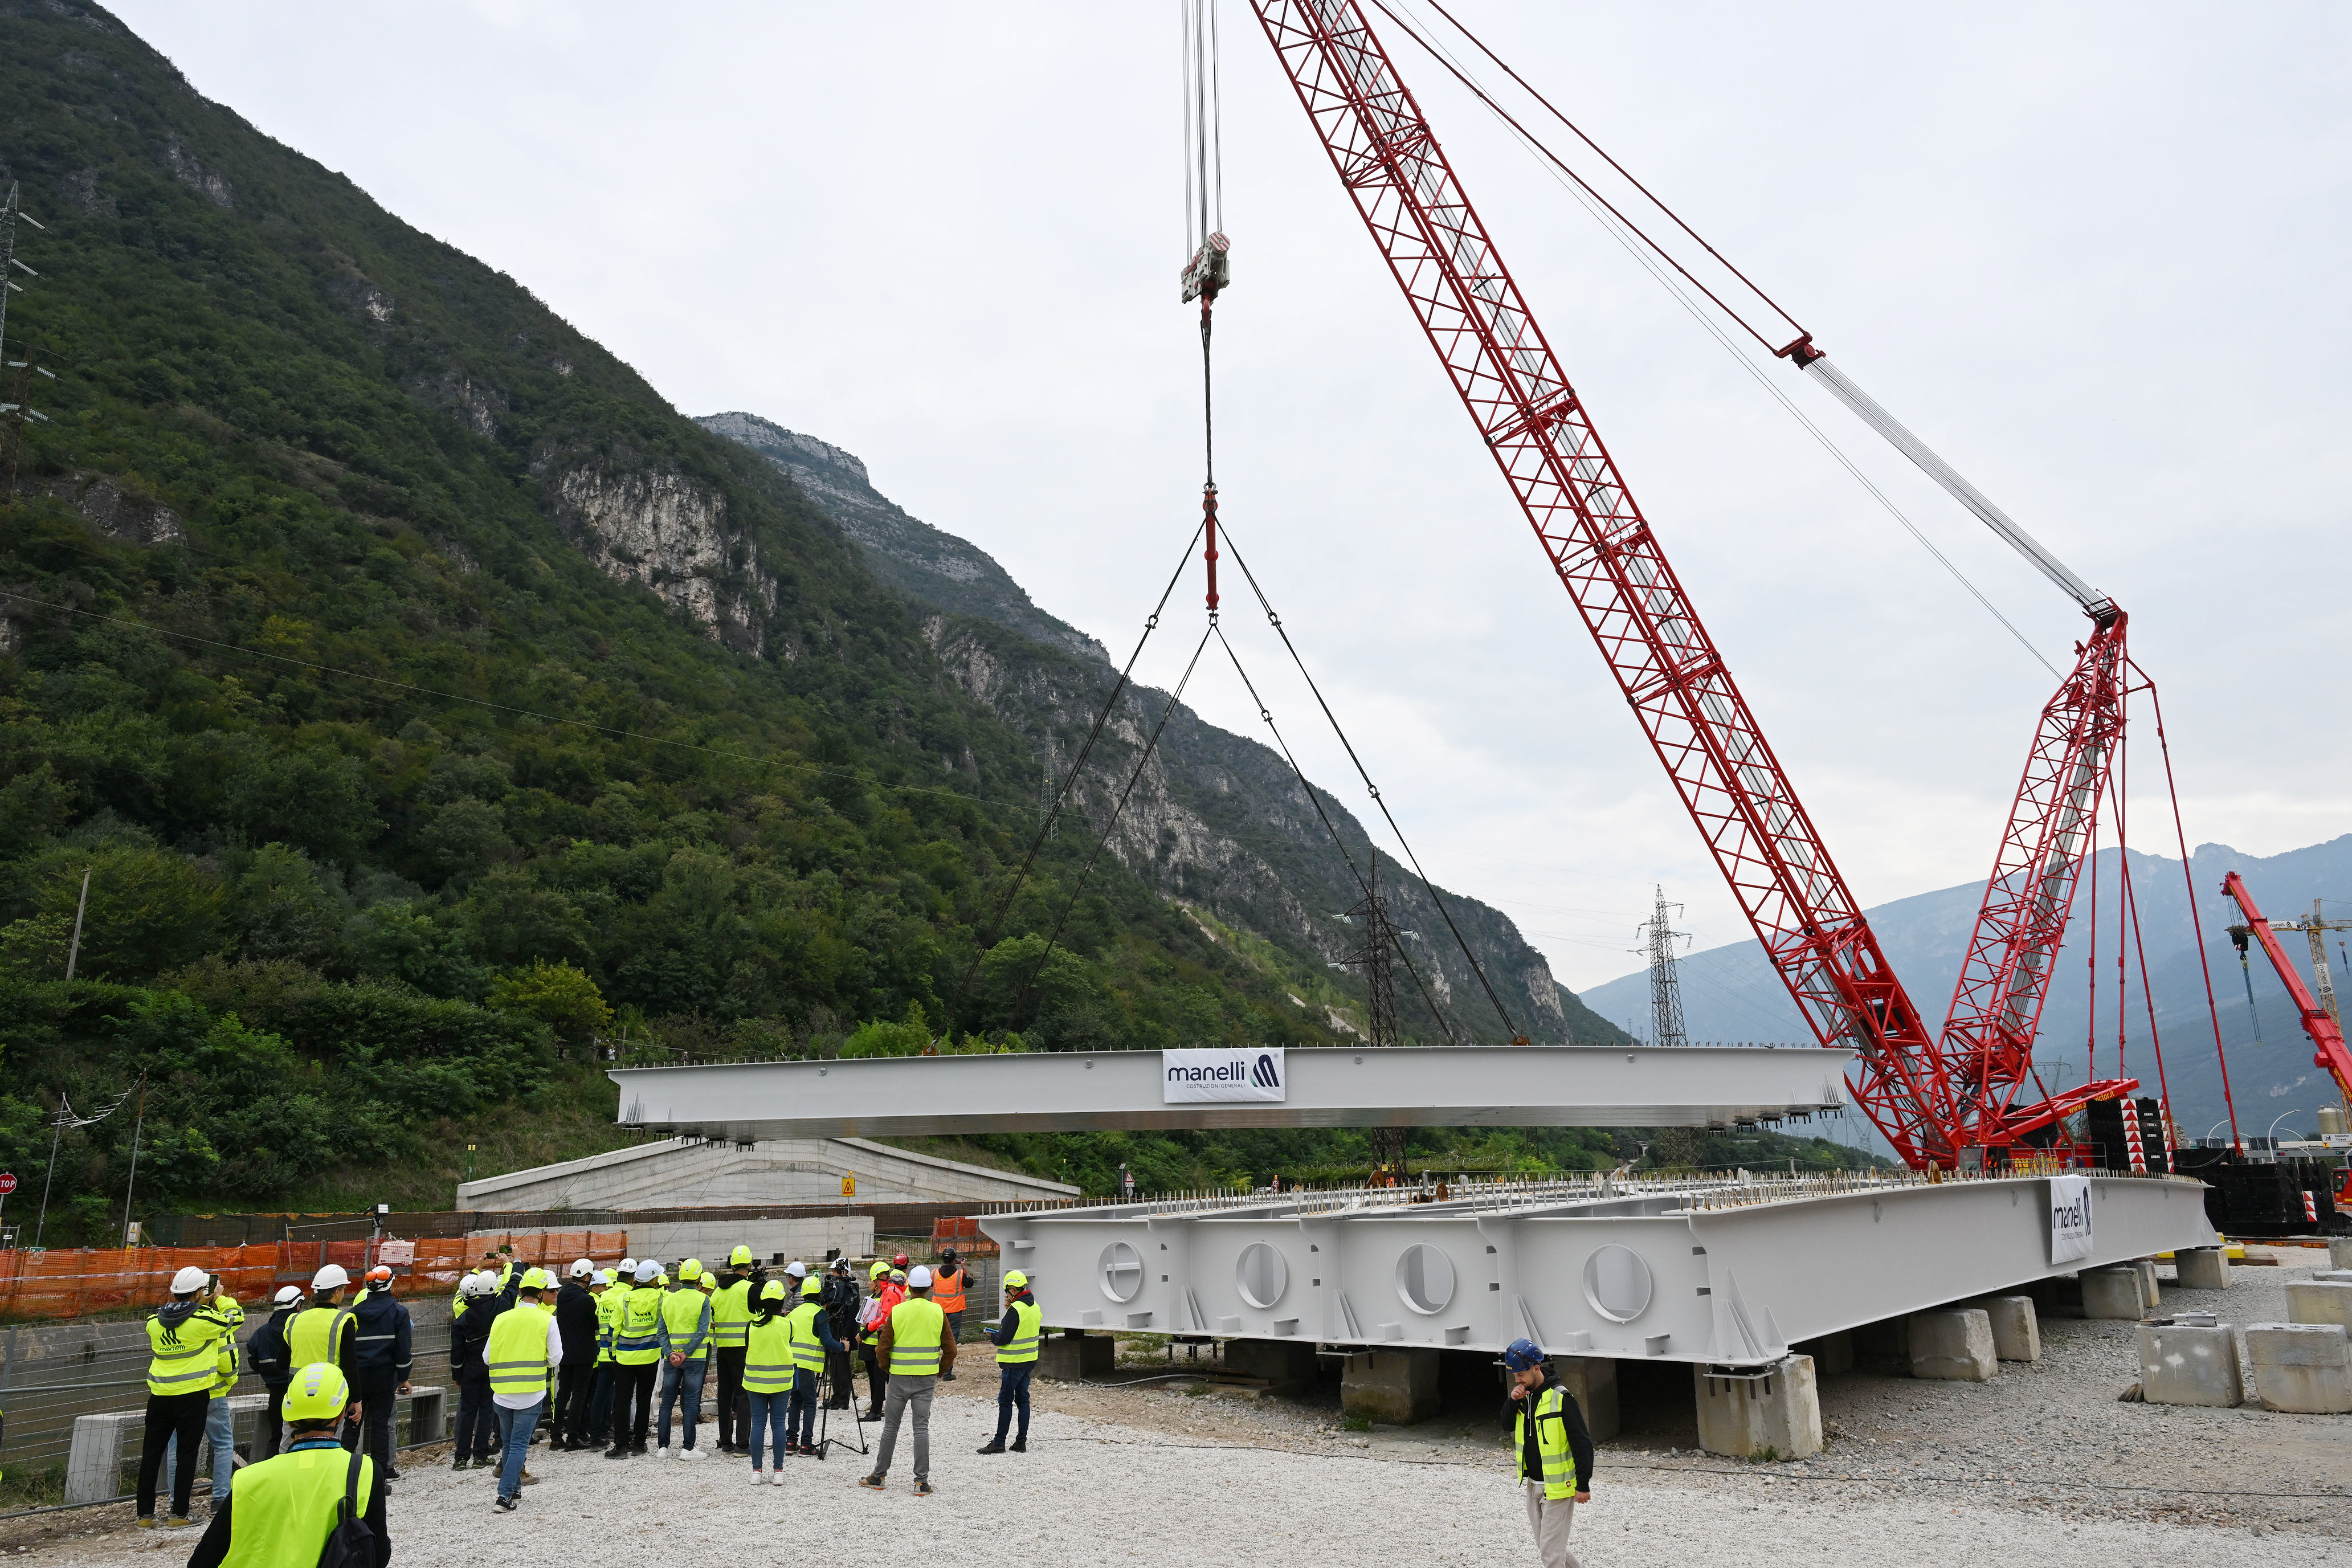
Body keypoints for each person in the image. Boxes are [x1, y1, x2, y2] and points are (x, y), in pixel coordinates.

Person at [186, 1362, 389, 1568]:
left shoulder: (248, 1480)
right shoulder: (365, 1472)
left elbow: (203, 1560)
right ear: (341, 1413)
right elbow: (379, 1554)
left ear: (289, 1419)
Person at [134, 1265, 236, 1528]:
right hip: (192, 1397)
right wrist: (218, 1298)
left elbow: (171, 1322)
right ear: (200, 1291)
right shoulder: (203, 1321)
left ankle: (144, 1515)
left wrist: (201, 1298)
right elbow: (233, 1318)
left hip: (158, 1396)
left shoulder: (153, 1323)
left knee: (151, 1455)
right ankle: (179, 1515)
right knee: (186, 1454)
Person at [859, 1263, 953, 1496]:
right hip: (926, 1380)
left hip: (899, 1378)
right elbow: (951, 1350)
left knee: (890, 1427)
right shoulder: (938, 1311)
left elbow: (882, 1349)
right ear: (930, 1288)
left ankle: (879, 1476)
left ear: (909, 1287)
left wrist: (888, 1369)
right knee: (921, 1428)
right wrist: (939, 1372)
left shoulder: (899, 1311)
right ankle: (921, 1482)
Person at [1502, 1338, 1593, 1568]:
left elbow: (1582, 1443)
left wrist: (1583, 1484)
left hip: (1559, 1486)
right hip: (1533, 1484)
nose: (1518, 1380)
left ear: (1536, 1368)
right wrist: (1513, 1402)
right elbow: (1506, 1424)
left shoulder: (1562, 1398)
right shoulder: (1524, 1398)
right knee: (1549, 1547)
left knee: (1550, 1555)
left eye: (1521, 1375)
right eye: (1515, 1376)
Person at [487, 1268, 562, 1512]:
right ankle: (504, 1495)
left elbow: (487, 1357)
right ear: (541, 1293)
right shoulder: (547, 1319)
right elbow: (555, 1358)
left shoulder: (501, 1319)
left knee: (509, 1443)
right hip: (531, 1392)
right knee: (519, 1445)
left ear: (519, 1291)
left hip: (502, 1392)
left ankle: (515, 1487)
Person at [343, 1264, 413, 1484]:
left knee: (353, 1422)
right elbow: (403, 1350)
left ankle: (342, 1469)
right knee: (381, 1425)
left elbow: (347, 1351)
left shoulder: (353, 1313)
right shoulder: (399, 1312)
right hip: (384, 1377)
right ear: (391, 1283)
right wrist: (403, 1377)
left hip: (357, 1378)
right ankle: (380, 1476)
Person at [603, 1260, 667, 1459]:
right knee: (643, 1400)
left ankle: (621, 1446)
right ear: (654, 1280)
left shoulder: (625, 1299)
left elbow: (613, 1329)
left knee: (622, 1401)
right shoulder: (661, 1298)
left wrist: (613, 1353)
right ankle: (639, 1443)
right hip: (650, 1357)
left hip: (624, 1358)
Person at [975, 1269, 1040, 1455]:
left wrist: (992, 1336)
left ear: (1012, 1289)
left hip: (1014, 1362)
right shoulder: (1033, 1306)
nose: (1006, 1294)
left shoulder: (1016, 1309)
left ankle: (999, 1442)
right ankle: (1021, 1441)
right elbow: (1024, 1328)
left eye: (1007, 1291)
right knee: (1023, 1399)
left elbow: (1004, 1338)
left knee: (1005, 1400)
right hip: (1029, 1360)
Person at [655, 1259, 713, 1459]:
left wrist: (670, 1352)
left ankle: (662, 1447)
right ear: (699, 1278)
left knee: (667, 1403)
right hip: (695, 1358)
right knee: (690, 1402)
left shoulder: (668, 1299)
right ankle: (688, 1448)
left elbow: (661, 1332)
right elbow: (702, 1331)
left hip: (671, 1359)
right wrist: (686, 1352)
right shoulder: (702, 1300)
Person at [782, 1273, 844, 1456]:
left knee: (795, 1402)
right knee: (810, 1404)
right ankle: (807, 1445)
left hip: (791, 1365)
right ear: (819, 1294)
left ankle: (791, 1441)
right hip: (807, 1366)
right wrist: (843, 1347)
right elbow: (828, 1342)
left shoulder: (794, 1313)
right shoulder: (820, 1313)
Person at [739, 1280, 794, 1484]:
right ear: (782, 1301)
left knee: (758, 1424)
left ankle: (757, 1471)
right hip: (781, 1381)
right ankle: (778, 1471)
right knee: (779, 1424)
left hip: (755, 1381)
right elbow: (788, 1342)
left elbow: (748, 1347)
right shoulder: (789, 1324)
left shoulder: (751, 1325)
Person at [243, 1285, 304, 1464]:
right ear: (297, 1306)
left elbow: (254, 1361)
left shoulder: (261, 1334)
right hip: (301, 1391)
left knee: (277, 1437)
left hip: (276, 1394)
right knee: (303, 1437)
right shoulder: (300, 1329)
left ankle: (271, 1476)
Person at [449, 1272, 501, 1470]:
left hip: (469, 1370)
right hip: (490, 1368)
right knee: (487, 1411)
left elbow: (456, 1352)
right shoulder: (495, 1311)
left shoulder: (462, 1320)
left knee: (467, 1412)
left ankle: (461, 1458)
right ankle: (481, 1455)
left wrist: (457, 1375)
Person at [707, 1250, 754, 1456]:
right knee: (744, 1395)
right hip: (744, 1349)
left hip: (723, 1348)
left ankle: (726, 1441)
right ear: (750, 1265)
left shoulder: (718, 1291)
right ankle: (743, 1444)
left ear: (732, 1264)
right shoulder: (750, 1289)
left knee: (725, 1395)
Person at [550, 1260, 601, 1449]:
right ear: (586, 1277)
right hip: (584, 1353)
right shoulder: (587, 1300)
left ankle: (556, 1436)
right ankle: (573, 1437)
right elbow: (594, 1325)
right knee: (579, 1395)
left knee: (563, 1393)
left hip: (565, 1352)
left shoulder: (562, 1296)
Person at [287, 1264, 359, 1378]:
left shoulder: (294, 1320)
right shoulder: (344, 1321)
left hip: (297, 1387)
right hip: (329, 1388)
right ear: (337, 1292)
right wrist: (356, 1396)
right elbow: (350, 1366)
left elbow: (282, 1361)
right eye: (344, 1289)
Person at [855, 1262, 903, 1420]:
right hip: (874, 1342)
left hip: (878, 1342)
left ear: (877, 1281)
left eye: (871, 1279)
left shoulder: (887, 1294)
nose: (869, 1282)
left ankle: (876, 1410)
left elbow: (883, 1319)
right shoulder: (884, 1293)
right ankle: (878, 1407)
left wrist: (866, 1331)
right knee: (878, 1377)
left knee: (879, 1377)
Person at [819, 1259, 860, 1409]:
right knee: (834, 1367)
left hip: (844, 1333)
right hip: (833, 1331)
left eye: (835, 1272)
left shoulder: (851, 1289)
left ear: (843, 1273)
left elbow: (852, 1315)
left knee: (843, 1367)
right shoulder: (834, 1290)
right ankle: (835, 1398)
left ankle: (843, 1399)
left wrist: (847, 1336)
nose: (833, 1275)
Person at [930, 1250, 967, 1381]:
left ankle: (931, 1370)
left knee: (934, 1341)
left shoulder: (934, 1273)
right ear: (954, 1260)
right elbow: (970, 1283)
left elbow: (929, 1286)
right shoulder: (960, 1274)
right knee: (951, 1342)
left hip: (937, 1312)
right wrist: (964, 1267)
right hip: (955, 1312)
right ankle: (946, 1373)